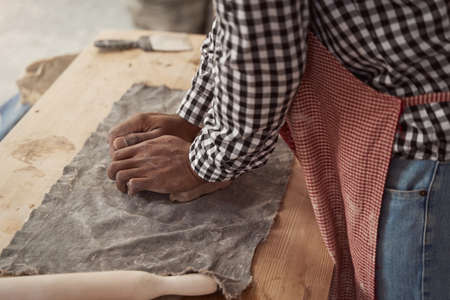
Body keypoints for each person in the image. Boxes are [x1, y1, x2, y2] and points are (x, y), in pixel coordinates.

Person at [107, 1, 450, 299]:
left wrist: (202, 162)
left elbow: (263, 54)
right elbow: (240, 24)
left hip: (425, 141)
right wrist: (195, 116)